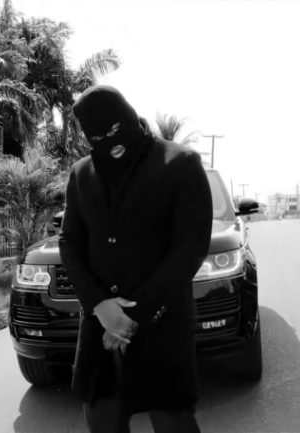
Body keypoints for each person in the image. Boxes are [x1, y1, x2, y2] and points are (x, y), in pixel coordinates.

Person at [58, 85, 213, 433]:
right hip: (100, 326)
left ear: (128, 116)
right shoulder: (81, 174)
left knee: (172, 421)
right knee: (102, 419)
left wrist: (134, 314)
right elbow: (69, 242)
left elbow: (190, 248)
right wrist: (99, 305)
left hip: (161, 323)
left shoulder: (180, 163)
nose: (111, 142)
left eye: (115, 129)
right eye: (99, 137)